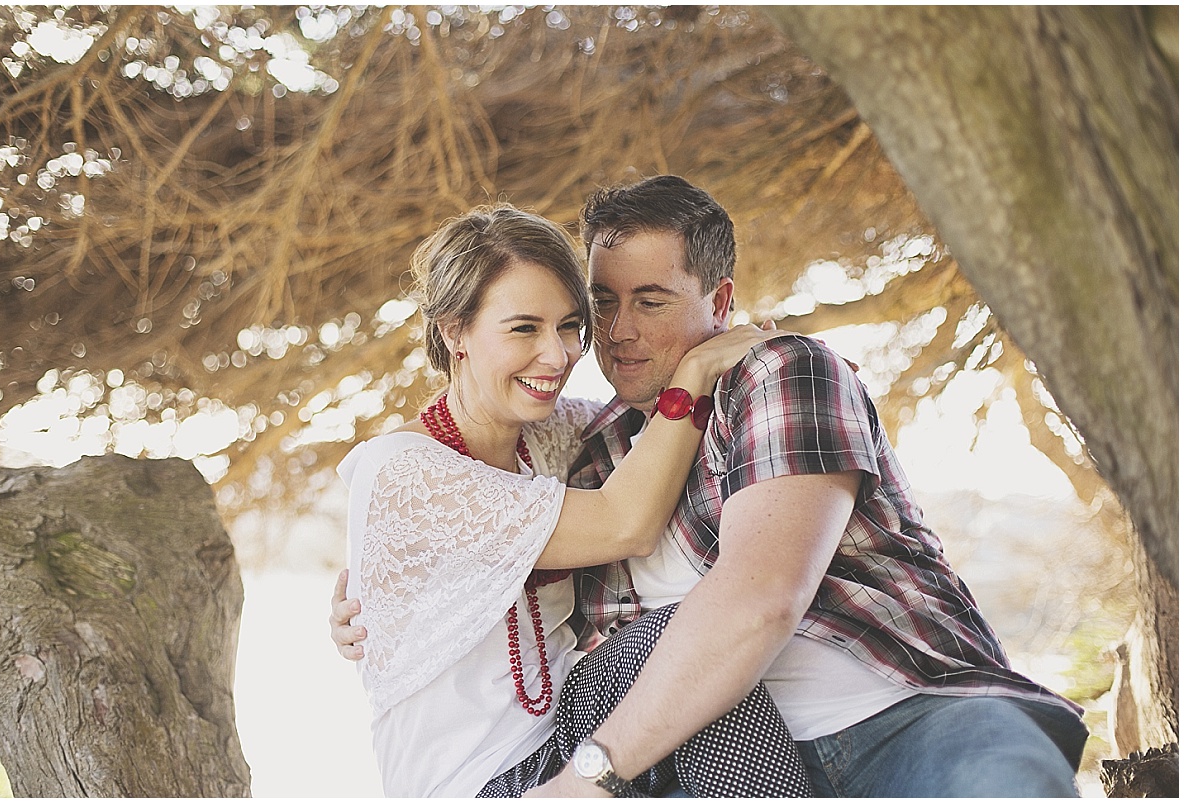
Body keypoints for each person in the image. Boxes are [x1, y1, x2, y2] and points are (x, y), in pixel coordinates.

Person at [335, 178, 1090, 797]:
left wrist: (585, 779)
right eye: (602, 306)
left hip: (893, 718)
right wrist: (374, 581)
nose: (606, 336)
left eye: (651, 301)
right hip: (648, 763)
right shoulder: (592, 444)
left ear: (721, 303)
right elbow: (460, 513)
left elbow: (759, 596)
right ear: (454, 329)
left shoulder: (771, 376)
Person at [336, 202, 811, 798]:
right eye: (524, 328)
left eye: (568, 326)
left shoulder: (556, 436)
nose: (557, 356)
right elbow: (625, 522)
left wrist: (736, 348)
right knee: (679, 639)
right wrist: (695, 369)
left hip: (573, 734)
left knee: (698, 660)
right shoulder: (402, 470)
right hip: (479, 781)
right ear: (455, 331)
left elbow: (652, 426)